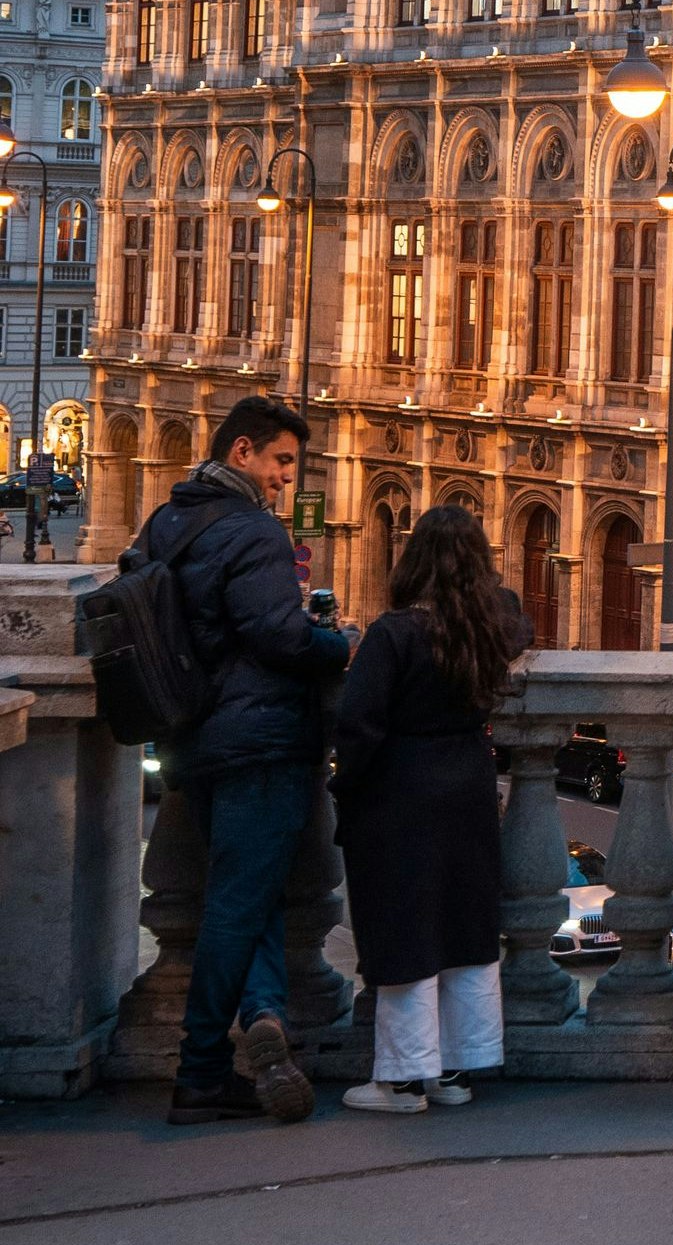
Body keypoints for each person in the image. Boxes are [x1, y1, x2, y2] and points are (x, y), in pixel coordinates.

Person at [150, 393, 342, 1127]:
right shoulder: (253, 532)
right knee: (235, 905)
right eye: (282, 461)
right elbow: (280, 639)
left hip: (190, 736)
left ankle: (264, 1015)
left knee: (245, 893)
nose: (288, 478)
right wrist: (340, 644)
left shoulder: (169, 519)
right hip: (256, 742)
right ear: (243, 454)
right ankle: (199, 1070)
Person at [331, 501, 531, 1113]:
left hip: (402, 788)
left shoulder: (394, 634)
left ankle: (402, 1079)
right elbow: (514, 618)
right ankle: (456, 1071)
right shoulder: (493, 625)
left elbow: (357, 723)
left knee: (404, 927)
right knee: (462, 924)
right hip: (468, 783)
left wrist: (348, 787)